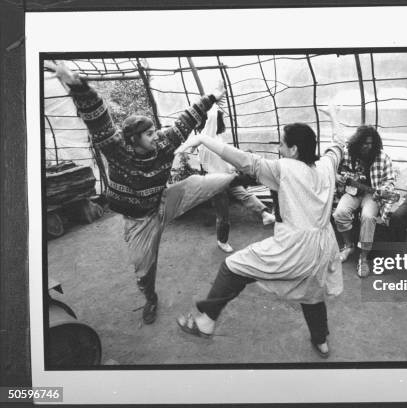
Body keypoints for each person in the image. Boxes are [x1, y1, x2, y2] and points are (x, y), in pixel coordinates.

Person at [50, 62, 237, 324]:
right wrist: (77, 86)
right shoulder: (117, 153)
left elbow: (187, 119)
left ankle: (239, 174)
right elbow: (99, 120)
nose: (157, 135)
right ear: (133, 139)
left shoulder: (163, 143)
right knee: (143, 269)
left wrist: (212, 97)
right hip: (139, 222)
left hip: (164, 202)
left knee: (219, 181)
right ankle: (151, 298)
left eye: (154, 131)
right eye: (149, 134)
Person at [175, 119, 344, 359]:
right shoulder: (327, 166)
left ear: (294, 149)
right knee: (312, 292)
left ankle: (206, 321)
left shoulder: (283, 168)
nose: (279, 149)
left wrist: (203, 139)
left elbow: (244, 161)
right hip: (323, 248)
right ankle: (321, 340)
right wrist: (334, 116)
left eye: (282, 145)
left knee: (233, 266)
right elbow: (338, 144)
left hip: (294, 247)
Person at [326, 108, 396, 278]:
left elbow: (390, 181)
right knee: (340, 213)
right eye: (364, 143)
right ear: (357, 142)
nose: (368, 146)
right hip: (351, 192)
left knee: (368, 217)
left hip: (371, 195)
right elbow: (330, 166)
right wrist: (337, 177)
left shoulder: (382, 157)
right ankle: (348, 245)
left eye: (371, 143)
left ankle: (363, 257)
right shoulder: (348, 153)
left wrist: (384, 190)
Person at [198, 103, 276, 253]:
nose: (223, 123)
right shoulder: (205, 136)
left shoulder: (216, 138)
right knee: (223, 215)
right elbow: (212, 116)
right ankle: (222, 241)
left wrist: (234, 169)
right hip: (215, 182)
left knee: (245, 194)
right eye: (222, 120)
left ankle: (264, 213)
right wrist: (214, 102)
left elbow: (223, 159)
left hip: (227, 177)